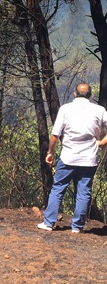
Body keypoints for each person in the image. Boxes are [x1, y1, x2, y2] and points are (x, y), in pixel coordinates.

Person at [38, 83, 107, 233]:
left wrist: (50, 152)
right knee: (84, 192)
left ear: (75, 94)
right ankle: (77, 227)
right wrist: (101, 143)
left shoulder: (66, 109)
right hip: (89, 158)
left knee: (58, 189)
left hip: (68, 157)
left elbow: (55, 135)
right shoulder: (99, 110)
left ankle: (49, 223)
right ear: (91, 95)